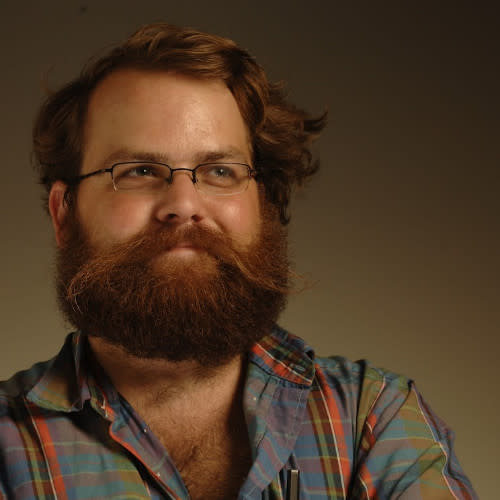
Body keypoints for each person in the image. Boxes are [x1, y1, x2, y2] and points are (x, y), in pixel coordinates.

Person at [0, 22, 476, 500]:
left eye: (219, 171)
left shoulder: (374, 423)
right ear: (64, 214)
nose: (184, 204)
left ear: (263, 205)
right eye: (139, 170)